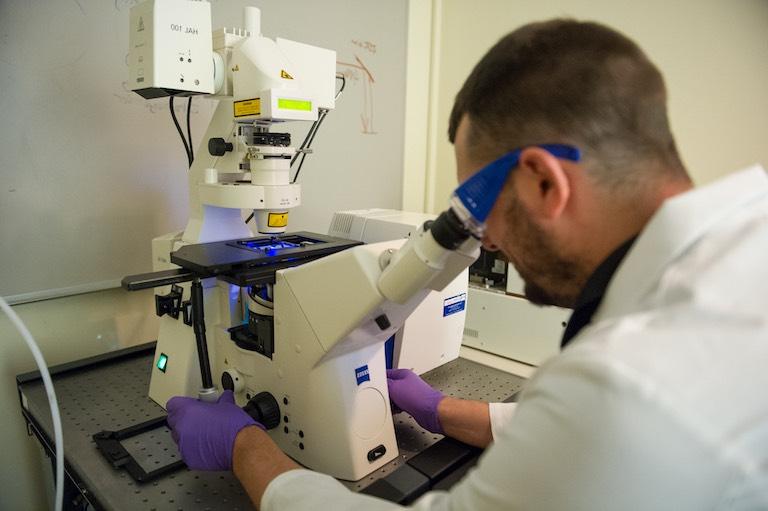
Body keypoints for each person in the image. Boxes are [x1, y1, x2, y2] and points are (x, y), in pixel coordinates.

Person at [166, 19, 768, 510]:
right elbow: (578, 442)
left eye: (481, 215)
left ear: (542, 183)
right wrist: (446, 410)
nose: (492, 245)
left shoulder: (627, 386)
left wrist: (246, 447)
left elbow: (600, 423)